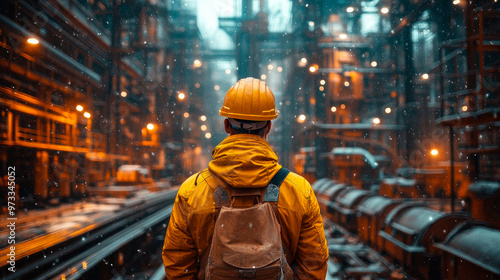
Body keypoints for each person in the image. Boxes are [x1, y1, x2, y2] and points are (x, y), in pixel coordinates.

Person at [162, 77, 329, 279]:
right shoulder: (298, 189)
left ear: (226, 125)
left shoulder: (193, 190)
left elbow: (178, 265)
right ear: (268, 127)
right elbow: (314, 262)